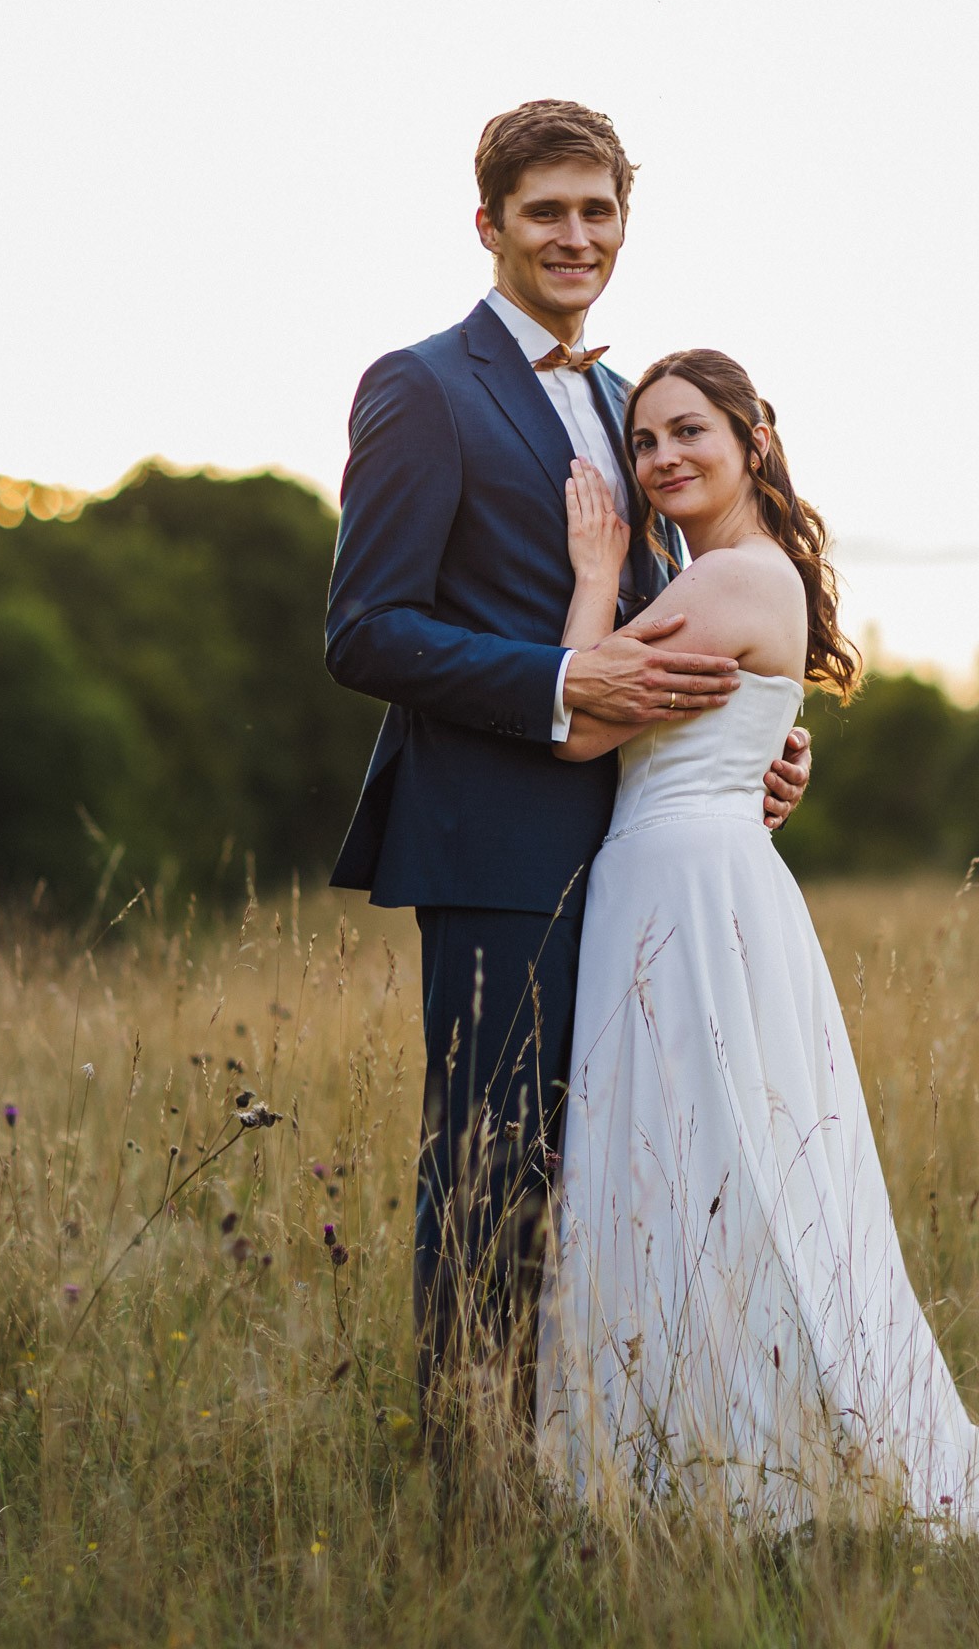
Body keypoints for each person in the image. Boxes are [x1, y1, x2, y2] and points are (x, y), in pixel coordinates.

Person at [536, 349, 979, 1551]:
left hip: (683, 882)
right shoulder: (724, 575)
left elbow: (576, 725)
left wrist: (589, 573)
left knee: (701, 1152)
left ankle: (731, 1454)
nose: (663, 458)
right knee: (705, 1153)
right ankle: (694, 1436)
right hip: (693, 871)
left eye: (689, 432)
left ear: (752, 438)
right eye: (643, 444)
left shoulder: (727, 579)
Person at [324, 102, 811, 1366]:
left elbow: (667, 620)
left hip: (640, 855)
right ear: (487, 224)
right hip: (492, 852)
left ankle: (584, 1461)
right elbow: (365, 629)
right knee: (488, 1179)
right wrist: (561, 682)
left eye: (597, 211)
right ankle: (468, 1493)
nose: (573, 235)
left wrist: (746, 737)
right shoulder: (423, 388)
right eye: (545, 210)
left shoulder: (623, 396)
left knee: (614, 1179)